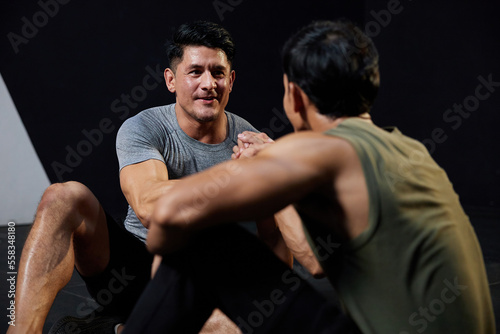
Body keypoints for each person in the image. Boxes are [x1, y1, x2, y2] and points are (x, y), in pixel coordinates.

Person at [127, 20, 496, 333]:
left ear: (295, 95)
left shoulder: (316, 149)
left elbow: (171, 213)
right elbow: (316, 261)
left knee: (201, 244)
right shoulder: (410, 149)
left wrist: (257, 167)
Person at [8, 20, 322, 334]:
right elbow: (148, 206)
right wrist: (236, 175)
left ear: (232, 79)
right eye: (195, 72)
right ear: (171, 80)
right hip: (132, 270)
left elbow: (273, 236)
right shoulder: (144, 127)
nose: (208, 83)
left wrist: (274, 308)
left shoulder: (248, 140)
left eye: (218, 72)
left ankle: (110, 330)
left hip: (197, 281)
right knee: (64, 196)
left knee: (235, 328)